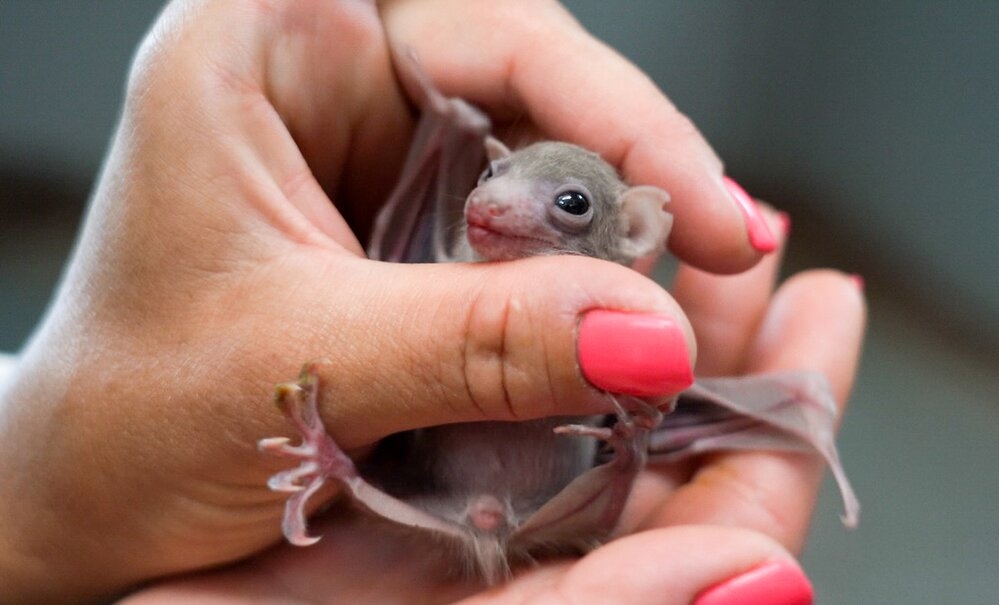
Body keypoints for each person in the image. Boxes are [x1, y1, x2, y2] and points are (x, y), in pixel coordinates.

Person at [0, 1, 865, 603]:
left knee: (640, 416)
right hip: (429, 494)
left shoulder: (609, 295)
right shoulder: (425, 274)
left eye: (567, 207)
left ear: (630, 233)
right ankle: (342, 461)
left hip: (539, 509)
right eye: (489, 177)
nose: (490, 204)